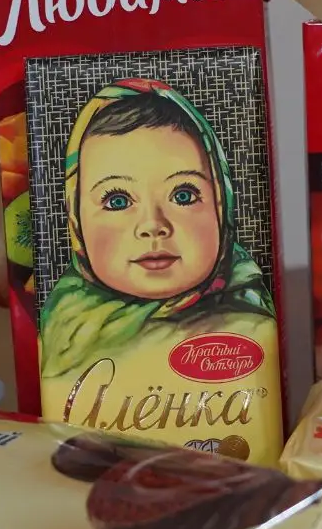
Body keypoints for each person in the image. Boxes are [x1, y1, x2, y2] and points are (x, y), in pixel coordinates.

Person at [39, 78, 274, 380]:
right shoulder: (62, 329)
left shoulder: (251, 328)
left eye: (183, 196)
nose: (153, 225)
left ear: (221, 202)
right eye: (118, 200)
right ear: (75, 216)